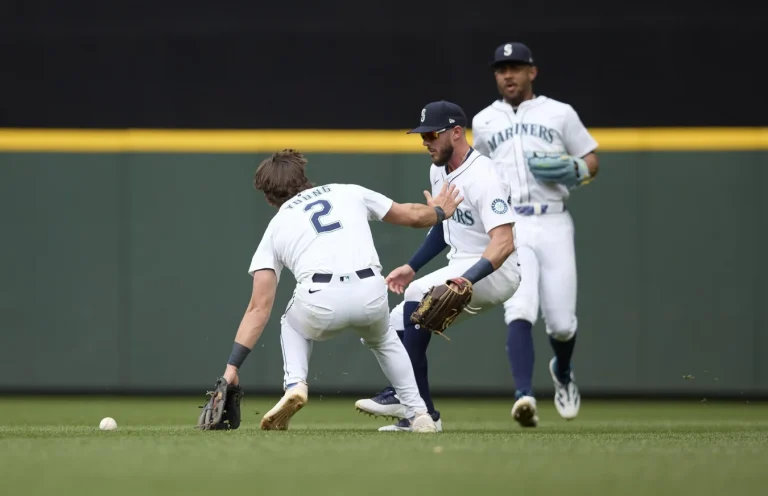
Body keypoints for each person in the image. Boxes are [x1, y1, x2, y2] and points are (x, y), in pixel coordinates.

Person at [197, 148, 466, 433]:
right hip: (371, 292)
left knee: (291, 324)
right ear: (304, 177)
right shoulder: (347, 192)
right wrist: (439, 212)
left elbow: (258, 307)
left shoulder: (276, 226)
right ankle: (420, 414)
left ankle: (295, 385)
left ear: (268, 198)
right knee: (385, 339)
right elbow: (411, 215)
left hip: (320, 300)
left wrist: (232, 367)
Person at [354, 101, 521, 432]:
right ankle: (423, 413)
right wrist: (412, 266)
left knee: (417, 297)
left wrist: (464, 281)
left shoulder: (484, 176)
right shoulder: (438, 169)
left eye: (431, 134)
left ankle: (408, 399)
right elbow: (444, 230)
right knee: (393, 323)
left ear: (456, 132)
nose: (425, 142)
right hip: (461, 262)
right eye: (421, 136)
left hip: (496, 269)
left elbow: (504, 242)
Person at [471, 42, 600, 427]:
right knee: (520, 306)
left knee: (561, 323)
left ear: (532, 72)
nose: (508, 74)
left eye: (515, 67)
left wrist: (577, 170)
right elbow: (476, 172)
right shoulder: (484, 121)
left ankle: (562, 371)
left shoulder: (559, 113)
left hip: (554, 220)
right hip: (512, 224)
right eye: (501, 69)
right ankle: (524, 395)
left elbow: (592, 158)